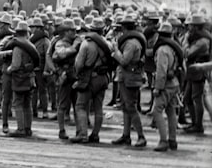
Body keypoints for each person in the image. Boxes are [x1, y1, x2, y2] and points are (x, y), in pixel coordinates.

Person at [70, 17, 112, 143]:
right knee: (98, 106)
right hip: (103, 78)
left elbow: (79, 64)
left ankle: (82, 134)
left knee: (81, 105)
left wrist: (78, 76)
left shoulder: (86, 44)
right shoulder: (108, 44)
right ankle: (95, 134)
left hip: (89, 78)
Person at [110, 12, 147, 147]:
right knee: (126, 106)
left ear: (125, 28)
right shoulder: (135, 40)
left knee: (130, 106)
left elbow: (124, 61)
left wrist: (115, 52)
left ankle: (141, 136)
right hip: (127, 76)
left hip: (130, 77)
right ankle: (126, 135)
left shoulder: (131, 43)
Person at [151, 20, 184, 151]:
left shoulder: (162, 50)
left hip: (165, 85)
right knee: (171, 112)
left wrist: (157, 88)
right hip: (174, 82)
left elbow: (161, 71)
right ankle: (172, 140)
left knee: (157, 111)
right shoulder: (174, 47)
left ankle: (163, 140)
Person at [6, 20, 39, 137]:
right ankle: (28, 128)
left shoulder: (17, 47)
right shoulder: (31, 46)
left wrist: (8, 70)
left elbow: (15, 64)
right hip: (30, 78)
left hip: (19, 79)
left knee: (18, 104)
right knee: (27, 104)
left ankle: (20, 128)